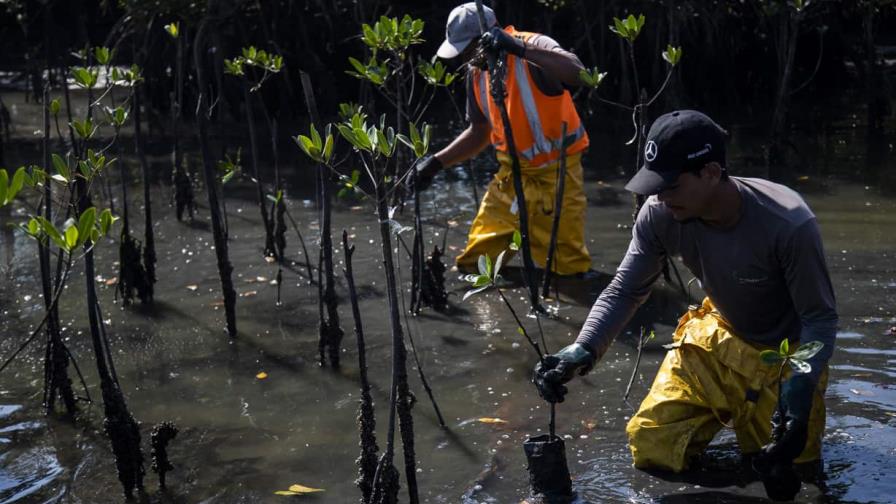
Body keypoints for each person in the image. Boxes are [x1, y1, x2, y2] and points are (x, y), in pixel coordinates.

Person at [532, 110, 838, 500]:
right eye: (655, 185)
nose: (659, 197)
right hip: (717, 335)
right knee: (652, 448)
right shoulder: (661, 214)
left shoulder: (789, 224)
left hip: (783, 359)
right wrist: (582, 349)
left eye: (671, 186)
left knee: (796, 472)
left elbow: (819, 319)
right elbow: (625, 289)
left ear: (711, 172)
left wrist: (801, 384)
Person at [417, 2, 591, 275]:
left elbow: (580, 74)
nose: (465, 59)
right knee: (475, 265)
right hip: (511, 176)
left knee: (566, 270)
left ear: (487, 36)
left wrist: (519, 49)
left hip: (558, 177)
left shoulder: (532, 46)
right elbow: (479, 132)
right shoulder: (477, 73)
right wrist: (435, 163)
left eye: (468, 49)